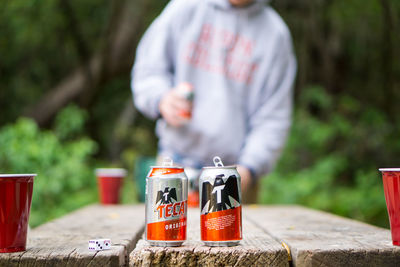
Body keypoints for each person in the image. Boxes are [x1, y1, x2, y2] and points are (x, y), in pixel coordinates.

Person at [131, 0, 297, 203]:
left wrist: (249, 168)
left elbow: (274, 116)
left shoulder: (275, 34)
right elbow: (148, 72)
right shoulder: (185, 7)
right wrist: (162, 98)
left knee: (247, 237)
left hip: (236, 176)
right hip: (174, 166)